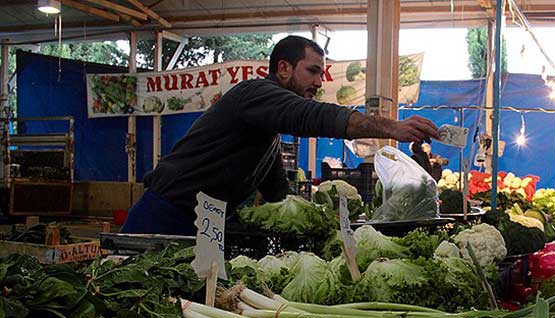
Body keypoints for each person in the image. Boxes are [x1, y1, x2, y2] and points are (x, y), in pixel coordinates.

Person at [122, 36, 439, 235]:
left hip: (203, 224)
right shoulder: (257, 93)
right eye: (312, 71)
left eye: (322, 73)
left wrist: (311, 222)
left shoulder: (265, 129)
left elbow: (277, 192)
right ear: (284, 68)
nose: (318, 82)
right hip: (165, 215)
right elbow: (312, 116)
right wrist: (392, 128)